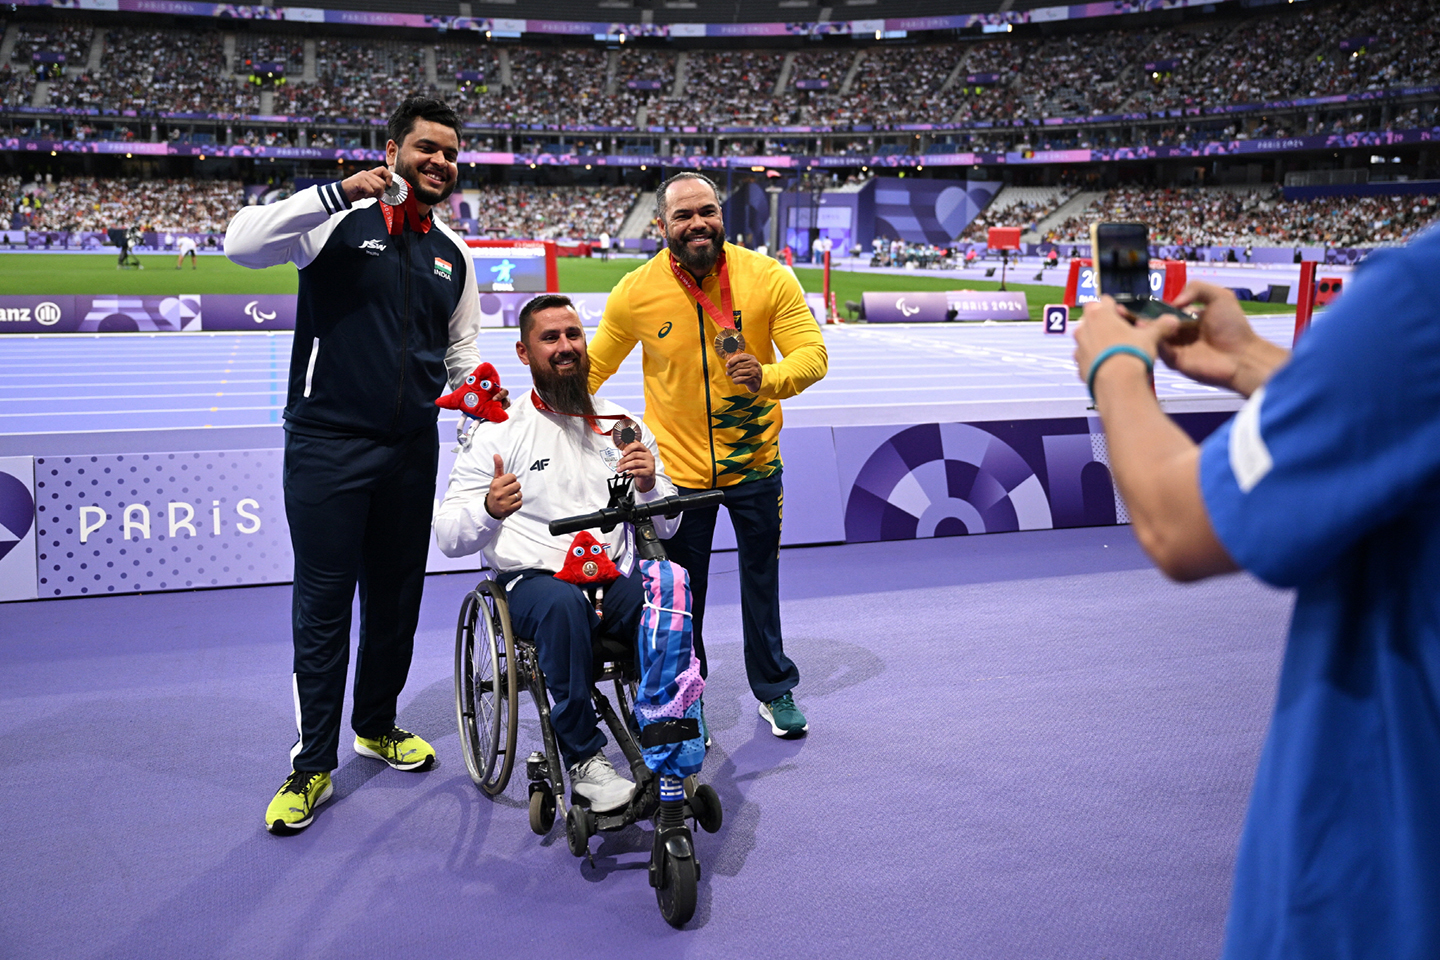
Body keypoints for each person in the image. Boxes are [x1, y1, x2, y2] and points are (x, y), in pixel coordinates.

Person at [1071, 227, 1440, 959]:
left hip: (1380, 895)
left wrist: (1112, 363)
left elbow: (1179, 525)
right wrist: (1248, 359)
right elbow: (1403, 423)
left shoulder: (1421, 293)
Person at [226, 96, 492, 836]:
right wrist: (339, 190)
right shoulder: (335, 220)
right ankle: (312, 763)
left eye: (449, 153)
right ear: (394, 149)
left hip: (412, 449)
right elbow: (238, 244)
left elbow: (461, 347)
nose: (438, 162)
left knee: (398, 599)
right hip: (327, 446)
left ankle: (376, 723)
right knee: (323, 606)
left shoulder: (453, 252)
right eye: (426, 149)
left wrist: (475, 395)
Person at [587, 172, 828, 739]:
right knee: (680, 596)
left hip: (756, 466)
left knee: (761, 580)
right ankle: (686, 697)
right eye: (684, 216)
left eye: (708, 212)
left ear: (721, 215)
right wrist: (536, 408)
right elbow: (593, 370)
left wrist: (767, 377)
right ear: (662, 226)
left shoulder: (767, 276)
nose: (698, 224)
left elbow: (812, 355)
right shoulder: (636, 291)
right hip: (677, 478)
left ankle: (774, 688)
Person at [434, 295, 680, 811]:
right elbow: (451, 537)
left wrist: (652, 485)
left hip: (610, 580)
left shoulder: (622, 425)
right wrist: (489, 508)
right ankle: (585, 757)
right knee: (562, 606)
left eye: (573, 335)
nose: (565, 347)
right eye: (551, 338)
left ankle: (666, 724)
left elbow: (668, 522)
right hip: (533, 584)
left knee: (667, 589)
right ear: (525, 354)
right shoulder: (498, 431)